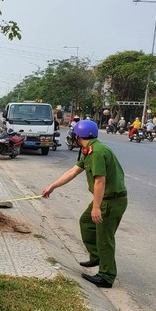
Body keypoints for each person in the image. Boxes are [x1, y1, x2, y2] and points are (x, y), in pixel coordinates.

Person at [41, 120, 127, 288]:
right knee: (86, 222)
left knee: (104, 238)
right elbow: (73, 171)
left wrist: (96, 207)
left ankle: (106, 276)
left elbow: (100, 181)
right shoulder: (90, 150)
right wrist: (52, 186)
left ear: (78, 136)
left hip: (110, 201)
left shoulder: (97, 152)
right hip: (106, 199)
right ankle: (96, 256)